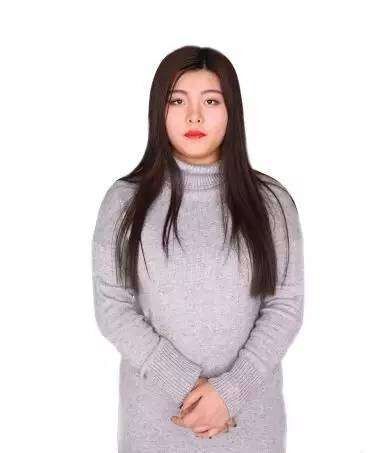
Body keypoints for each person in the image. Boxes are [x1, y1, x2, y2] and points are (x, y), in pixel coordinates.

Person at [91, 46, 304, 452]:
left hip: (250, 428)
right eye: (177, 101)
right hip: (154, 429)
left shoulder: (271, 202)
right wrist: (189, 387)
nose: (194, 116)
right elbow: (113, 308)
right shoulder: (124, 202)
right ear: (159, 111)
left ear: (232, 111)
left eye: (210, 101)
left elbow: (285, 307)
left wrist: (230, 393)